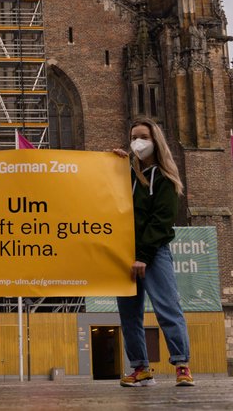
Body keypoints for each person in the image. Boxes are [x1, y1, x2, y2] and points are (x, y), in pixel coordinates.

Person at [113, 117, 193, 387]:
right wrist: (114, 163)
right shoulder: (130, 174)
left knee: (167, 308)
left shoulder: (165, 178)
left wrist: (143, 256)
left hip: (153, 253)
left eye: (143, 137)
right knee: (129, 315)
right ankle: (140, 368)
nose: (138, 142)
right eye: (134, 137)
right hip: (126, 253)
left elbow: (161, 220)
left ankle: (181, 364)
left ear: (155, 140)